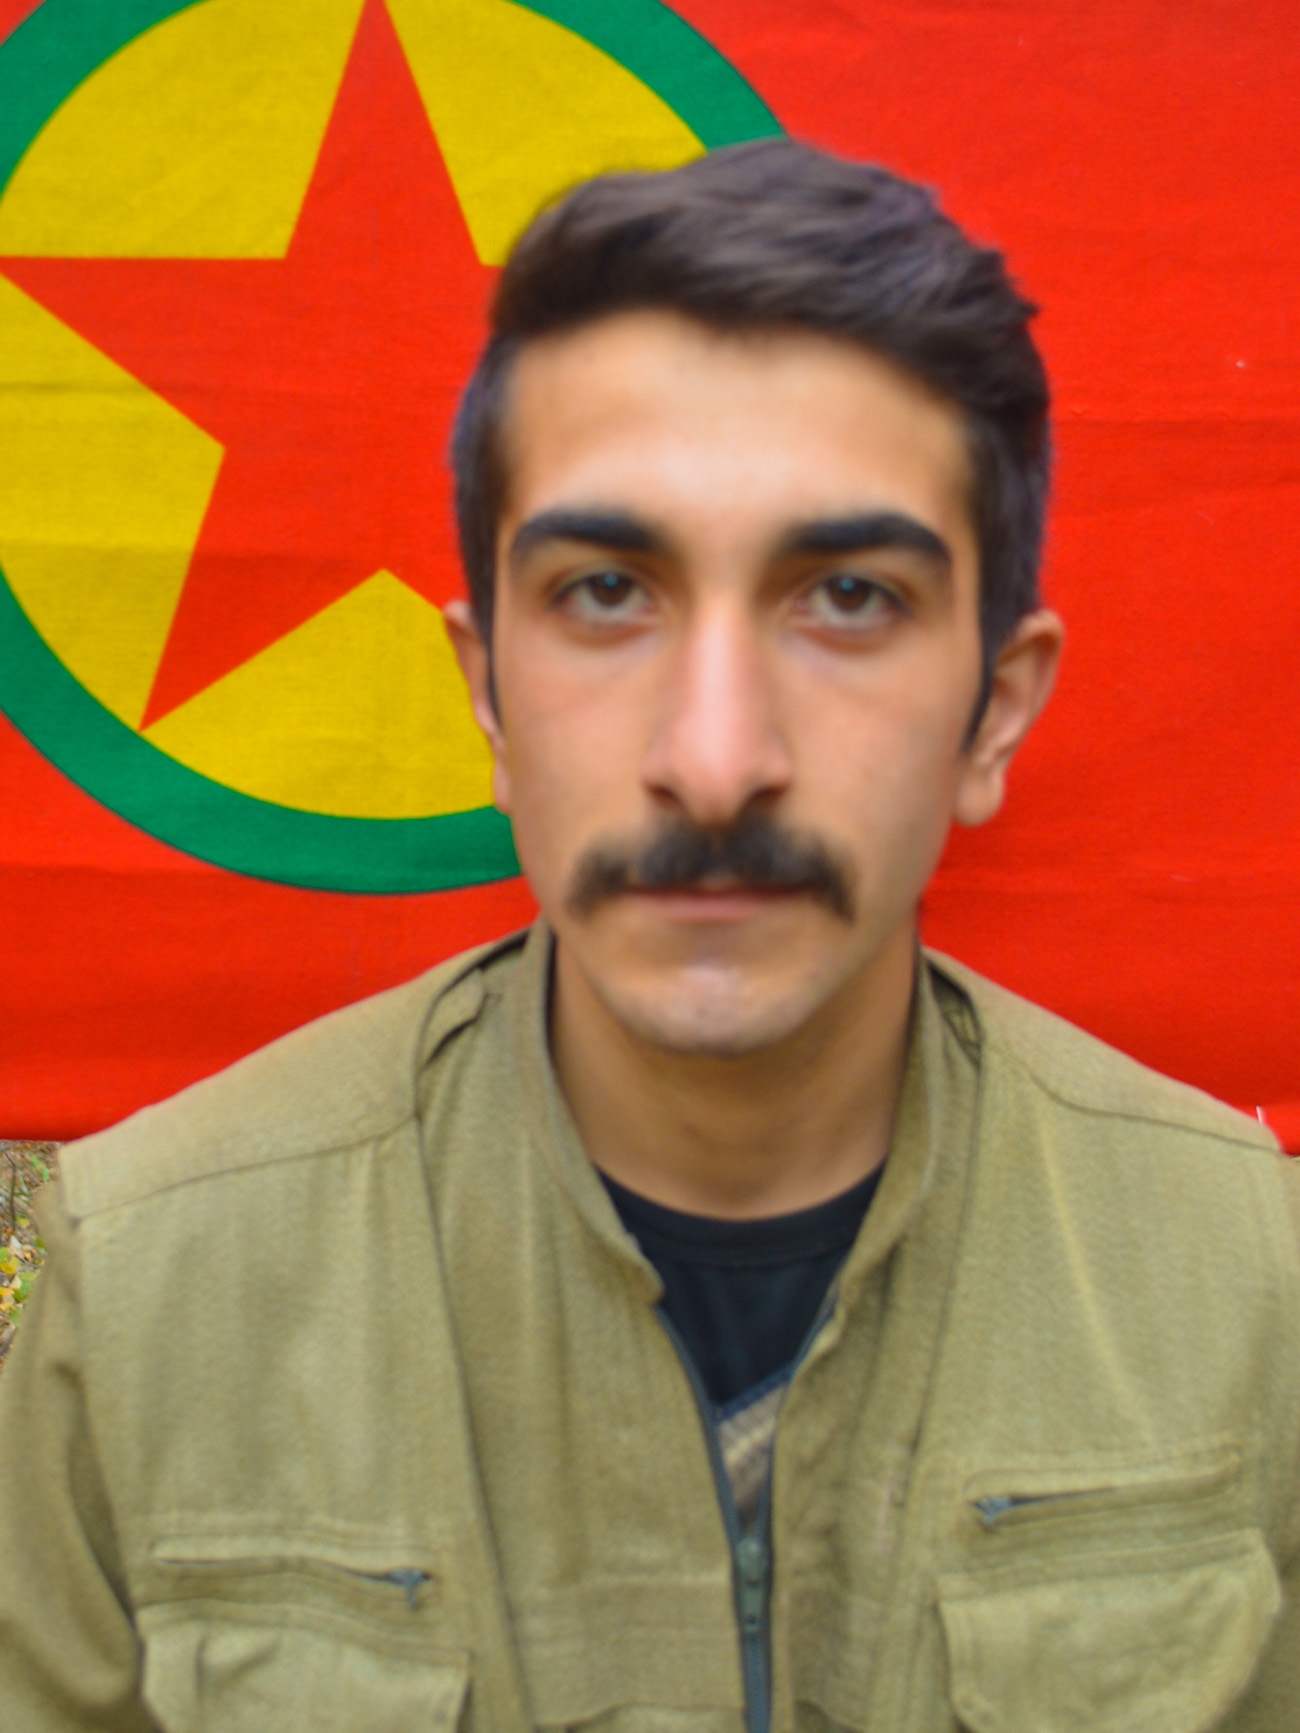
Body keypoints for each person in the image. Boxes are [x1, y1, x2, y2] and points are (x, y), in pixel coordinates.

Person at [1, 140, 1297, 1733]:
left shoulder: (1252, 1283)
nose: (715, 755)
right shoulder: (154, 1290)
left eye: (850, 596)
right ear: (489, 692)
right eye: (609, 590)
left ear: (995, 709)